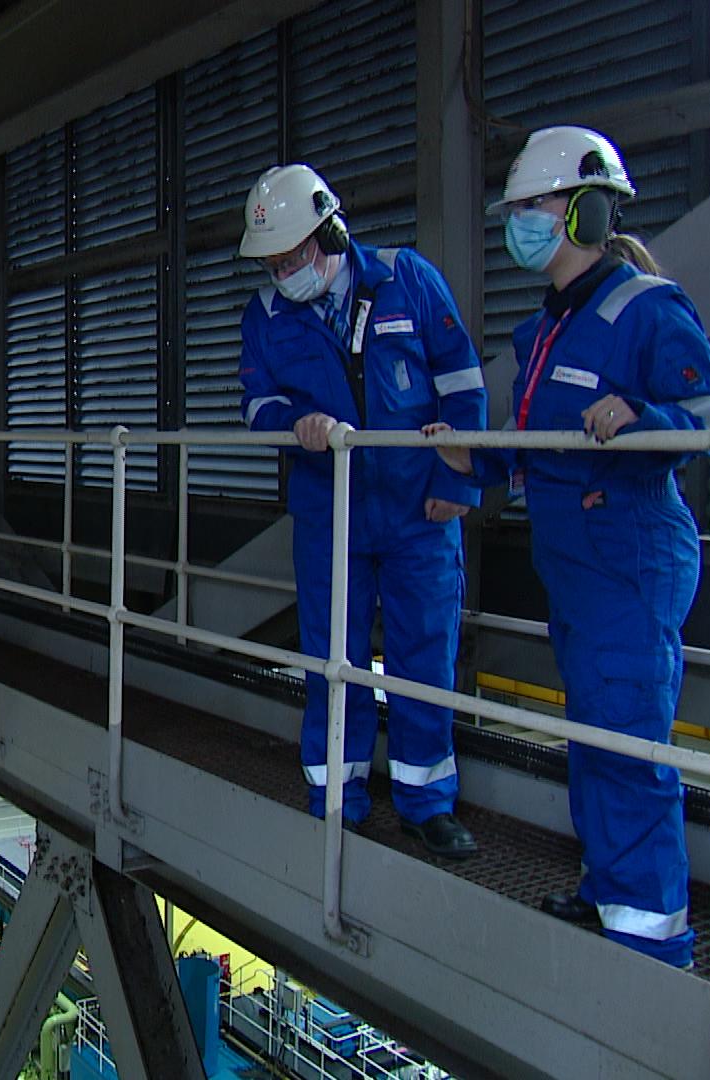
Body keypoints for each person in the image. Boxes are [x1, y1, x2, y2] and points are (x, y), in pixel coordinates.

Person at [425, 125, 710, 968]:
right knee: (596, 729)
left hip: (628, 553)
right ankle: (612, 891)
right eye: (517, 211)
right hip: (575, 561)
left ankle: (651, 941)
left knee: (627, 735)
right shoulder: (546, 334)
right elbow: (542, 443)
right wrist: (470, 452)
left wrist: (649, 420)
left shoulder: (645, 309)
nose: (517, 225)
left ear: (584, 212)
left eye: (531, 208)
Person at [236, 164, 485, 859]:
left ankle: (426, 801)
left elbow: (462, 384)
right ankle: (336, 796)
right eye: (273, 262)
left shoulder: (408, 280)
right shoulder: (266, 317)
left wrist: (458, 485)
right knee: (331, 658)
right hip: (330, 510)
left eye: (292, 256)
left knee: (422, 656)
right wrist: (296, 421)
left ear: (330, 232)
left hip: (420, 513)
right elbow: (255, 402)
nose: (284, 271)